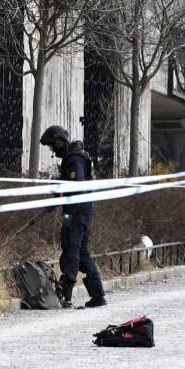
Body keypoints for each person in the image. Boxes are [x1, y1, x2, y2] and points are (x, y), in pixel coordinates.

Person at [39, 125, 107, 308]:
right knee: (80, 251)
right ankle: (98, 295)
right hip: (76, 210)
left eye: (53, 146)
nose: (53, 150)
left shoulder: (74, 158)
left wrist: (61, 192)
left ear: (60, 141)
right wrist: (56, 197)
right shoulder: (73, 157)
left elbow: (76, 185)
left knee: (72, 248)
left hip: (77, 211)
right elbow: (68, 185)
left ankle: (66, 292)